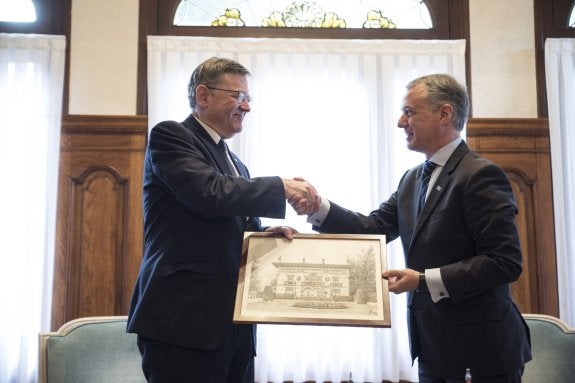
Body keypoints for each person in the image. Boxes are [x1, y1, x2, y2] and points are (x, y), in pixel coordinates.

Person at [299, 74, 532, 382]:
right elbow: (375, 227)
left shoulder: (480, 175)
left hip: (481, 352)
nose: (400, 122)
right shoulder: (412, 179)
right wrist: (318, 208)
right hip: (432, 348)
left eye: (409, 112)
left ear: (444, 114)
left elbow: (504, 262)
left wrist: (422, 281)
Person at [127, 57, 318, 383]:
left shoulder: (237, 164)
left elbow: (232, 224)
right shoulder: (171, 136)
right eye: (238, 96)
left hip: (234, 324)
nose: (246, 107)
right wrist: (281, 186)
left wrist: (264, 235)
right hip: (182, 323)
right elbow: (207, 193)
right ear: (203, 96)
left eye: (249, 99)